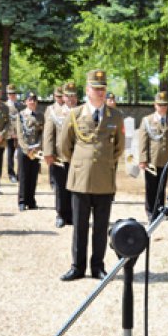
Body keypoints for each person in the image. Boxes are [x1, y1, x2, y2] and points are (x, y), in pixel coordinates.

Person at [59, 70, 125, 281]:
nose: (100, 92)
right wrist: (81, 163)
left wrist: (103, 164)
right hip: (80, 179)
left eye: (103, 89)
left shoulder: (115, 116)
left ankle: (97, 267)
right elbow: (65, 146)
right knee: (79, 226)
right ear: (87, 90)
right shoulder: (75, 114)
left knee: (100, 226)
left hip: (104, 180)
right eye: (96, 88)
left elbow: (119, 148)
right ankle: (77, 267)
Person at [138, 91, 168, 220]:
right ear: (155, 105)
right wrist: (143, 159)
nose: (162, 107)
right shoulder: (147, 121)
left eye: (165, 105)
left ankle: (160, 210)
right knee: (151, 187)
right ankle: (150, 211)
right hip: (151, 160)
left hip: (166, 160)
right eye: (160, 104)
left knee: (161, 186)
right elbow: (143, 142)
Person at [43, 84, 72, 227]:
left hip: (77, 158)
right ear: (63, 97)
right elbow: (48, 133)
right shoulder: (55, 112)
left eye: (73, 96)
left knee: (75, 188)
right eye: (67, 96)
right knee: (61, 187)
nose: (70, 99)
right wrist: (48, 152)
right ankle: (61, 214)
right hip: (59, 157)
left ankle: (72, 215)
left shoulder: (82, 112)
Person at [15, 91, 44, 211]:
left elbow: (42, 133)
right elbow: (19, 134)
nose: (32, 102)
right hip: (25, 150)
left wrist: (38, 147)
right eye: (29, 100)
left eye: (34, 100)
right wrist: (26, 149)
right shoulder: (21, 115)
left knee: (33, 175)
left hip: (36, 150)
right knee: (23, 175)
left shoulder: (40, 116)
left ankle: (31, 200)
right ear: (25, 102)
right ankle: (22, 200)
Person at [5, 83, 24, 184]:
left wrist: (19, 134)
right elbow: (5, 121)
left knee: (20, 155)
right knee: (10, 155)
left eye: (13, 93)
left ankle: (19, 174)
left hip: (19, 135)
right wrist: (11, 133)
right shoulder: (4, 106)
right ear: (7, 94)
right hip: (10, 134)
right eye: (10, 93)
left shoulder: (20, 105)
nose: (12, 95)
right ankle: (11, 174)